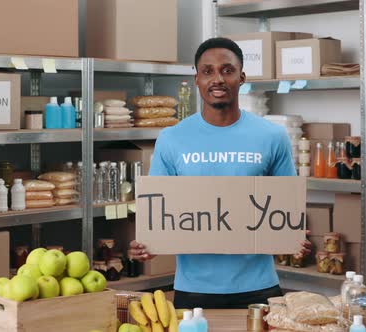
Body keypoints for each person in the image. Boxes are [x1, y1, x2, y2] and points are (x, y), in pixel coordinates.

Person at [129, 37, 311, 309]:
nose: (218, 79)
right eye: (208, 71)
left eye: (227, 70)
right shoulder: (172, 138)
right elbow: (158, 211)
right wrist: (146, 244)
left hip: (259, 288)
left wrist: (295, 238)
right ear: (197, 79)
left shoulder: (272, 137)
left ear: (242, 78)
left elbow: (288, 206)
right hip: (193, 291)